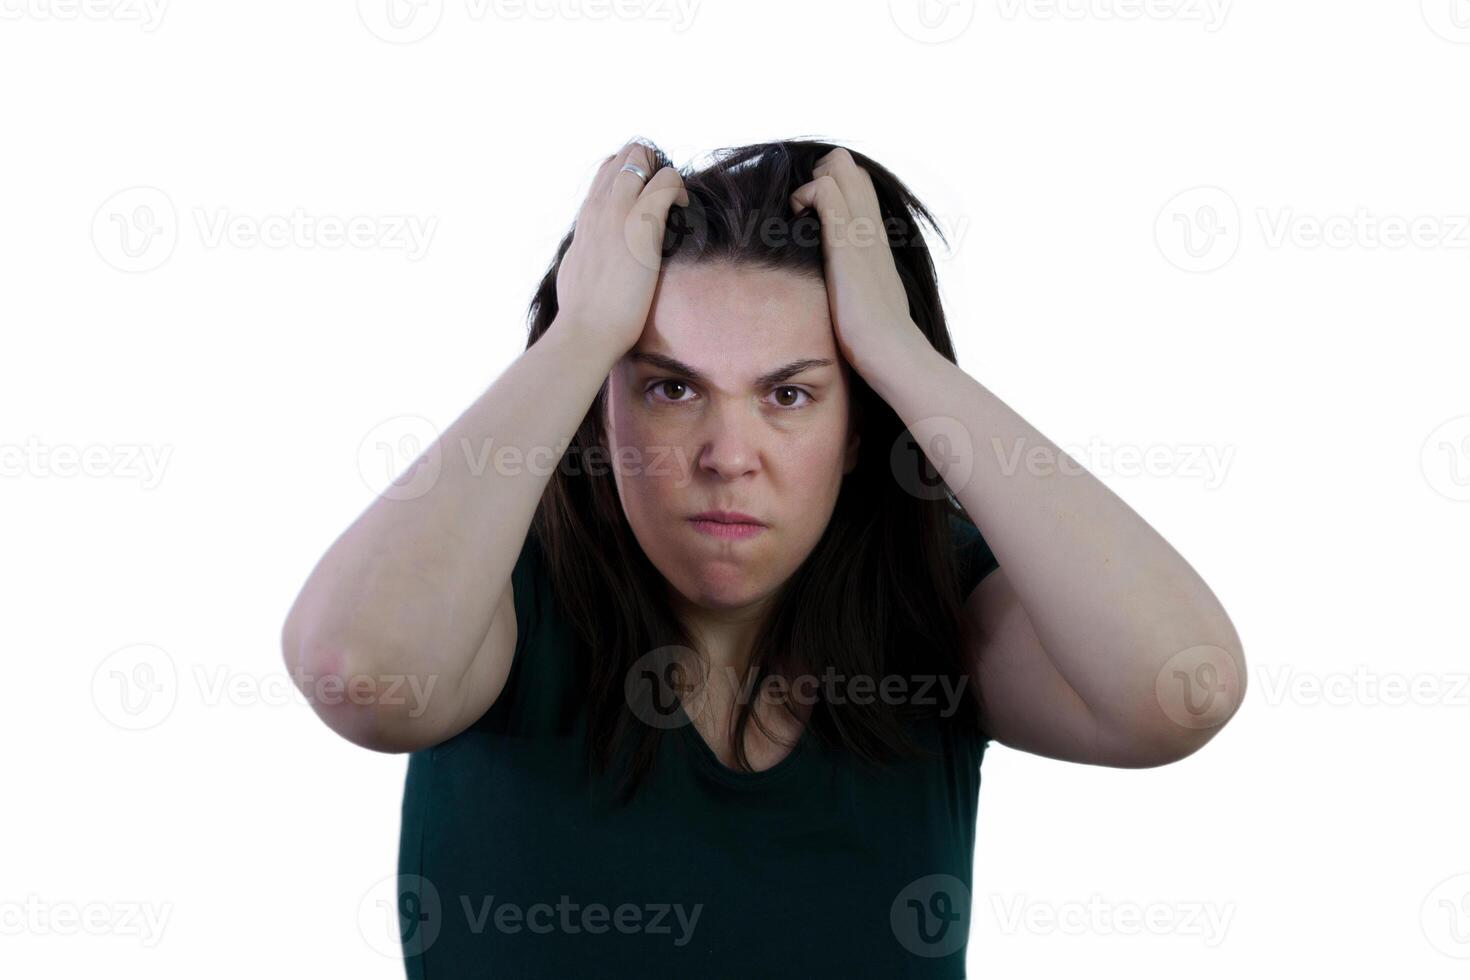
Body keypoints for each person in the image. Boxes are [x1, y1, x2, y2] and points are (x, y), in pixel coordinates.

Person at [281, 137, 1247, 977]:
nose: (727, 456)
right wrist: (579, 335)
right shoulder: (490, 588)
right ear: (600, 405)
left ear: (862, 422)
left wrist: (899, 352)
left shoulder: (935, 602)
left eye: (789, 396)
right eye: (670, 390)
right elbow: (358, 674)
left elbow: (1181, 690)